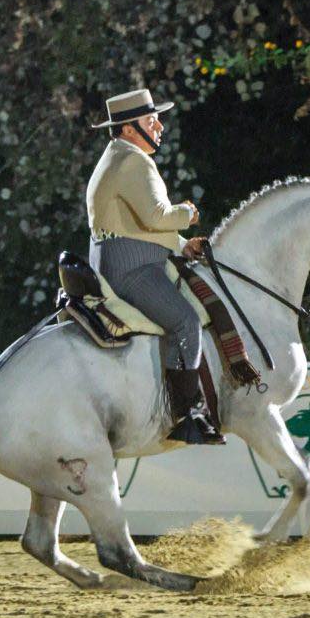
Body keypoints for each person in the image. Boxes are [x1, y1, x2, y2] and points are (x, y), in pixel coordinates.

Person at [87, 88, 224, 445]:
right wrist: (188, 213)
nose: (159, 127)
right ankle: (186, 415)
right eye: (151, 121)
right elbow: (156, 217)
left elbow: (136, 225)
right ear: (129, 129)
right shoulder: (133, 161)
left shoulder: (116, 157)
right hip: (133, 268)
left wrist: (182, 245)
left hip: (124, 256)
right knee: (186, 321)